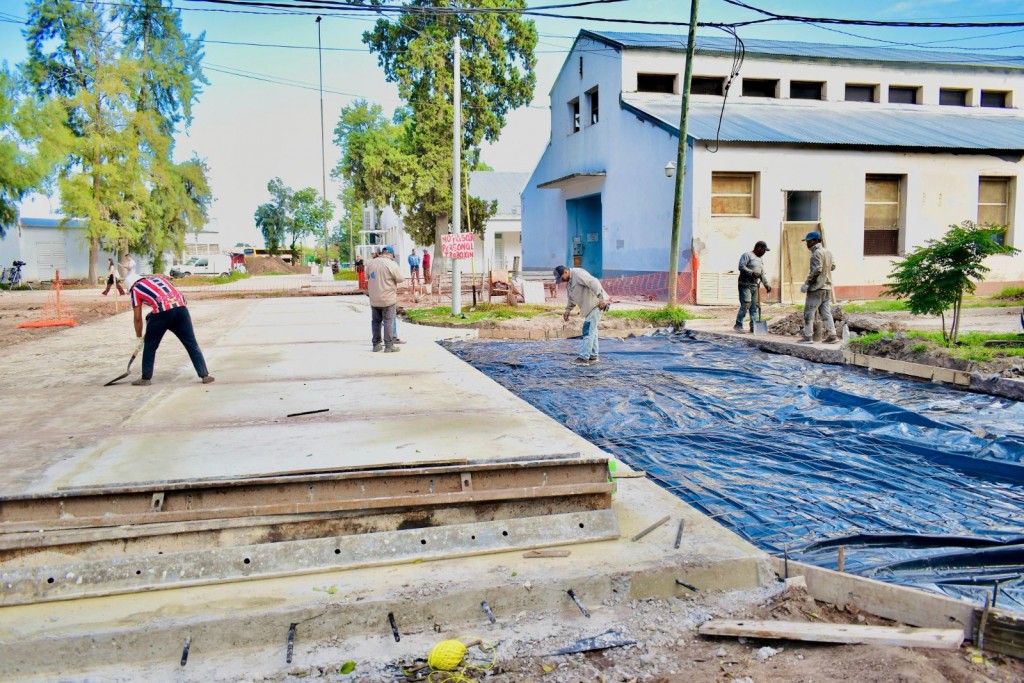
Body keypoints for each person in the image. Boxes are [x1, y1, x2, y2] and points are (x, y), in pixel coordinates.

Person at [126, 273, 214, 386]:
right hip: (181, 309)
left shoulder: (135, 289)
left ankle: (146, 378)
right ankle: (204, 375)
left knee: (150, 345)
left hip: (162, 313)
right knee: (191, 342)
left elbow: (137, 318)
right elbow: (167, 297)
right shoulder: (160, 279)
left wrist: (138, 337)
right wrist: (152, 315)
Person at [554, 264, 609, 366]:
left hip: (596, 305)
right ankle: (593, 356)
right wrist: (567, 311)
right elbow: (571, 298)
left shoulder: (578, 274)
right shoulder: (569, 283)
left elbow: (594, 282)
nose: (561, 280)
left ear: (565, 272)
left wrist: (601, 298)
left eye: (561, 278)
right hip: (589, 308)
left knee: (587, 330)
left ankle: (583, 358)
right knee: (593, 331)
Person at [799, 231, 839, 344]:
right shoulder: (828, 252)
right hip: (827, 287)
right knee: (826, 313)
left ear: (815, 241)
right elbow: (833, 266)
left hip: (817, 287)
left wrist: (807, 283)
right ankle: (833, 336)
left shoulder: (816, 253)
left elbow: (817, 269)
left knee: (809, 312)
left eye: (808, 241)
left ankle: (808, 337)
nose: (807, 244)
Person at [366, 246, 403, 352]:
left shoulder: (371, 263)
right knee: (388, 321)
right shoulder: (391, 264)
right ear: (391, 254)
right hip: (387, 298)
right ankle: (389, 345)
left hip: (374, 299)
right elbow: (400, 279)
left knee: (376, 321)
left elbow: (367, 276)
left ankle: (376, 345)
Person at [734, 240, 772, 332]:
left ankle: (753, 326)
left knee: (754, 307)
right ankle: (738, 325)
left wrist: (766, 284)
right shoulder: (747, 255)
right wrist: (752, 273)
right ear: (759, 248)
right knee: (746, 304)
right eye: (764, 250)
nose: (764, 253)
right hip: (745, 284)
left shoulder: (760, 260)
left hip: (755, 285)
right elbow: (741, 266)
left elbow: (761, 273)